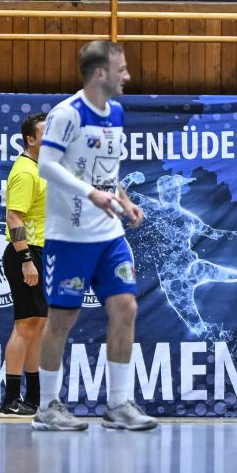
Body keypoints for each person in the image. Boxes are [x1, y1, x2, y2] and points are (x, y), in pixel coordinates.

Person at [32, 41, 154, 432]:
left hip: (109, 234)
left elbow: (105, 171)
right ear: (100, 73)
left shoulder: (115, 112)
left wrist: (123, 199)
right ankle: (47, 407)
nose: (127, 76)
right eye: (122, 69)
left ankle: (118, 405)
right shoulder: (67, 113)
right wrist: (91, 194)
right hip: (69, 236)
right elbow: (47, 166)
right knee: (62, 318)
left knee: (126, 307)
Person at [0, 113, 47, 417]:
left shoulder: (43, 168)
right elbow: (14, 217)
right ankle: (10, 400)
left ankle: (34, 398)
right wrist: (26, 259)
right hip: (24, 253)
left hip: (40, 251)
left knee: (37, 325)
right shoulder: (26, 171)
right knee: (25, 324)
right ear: (30, 139)